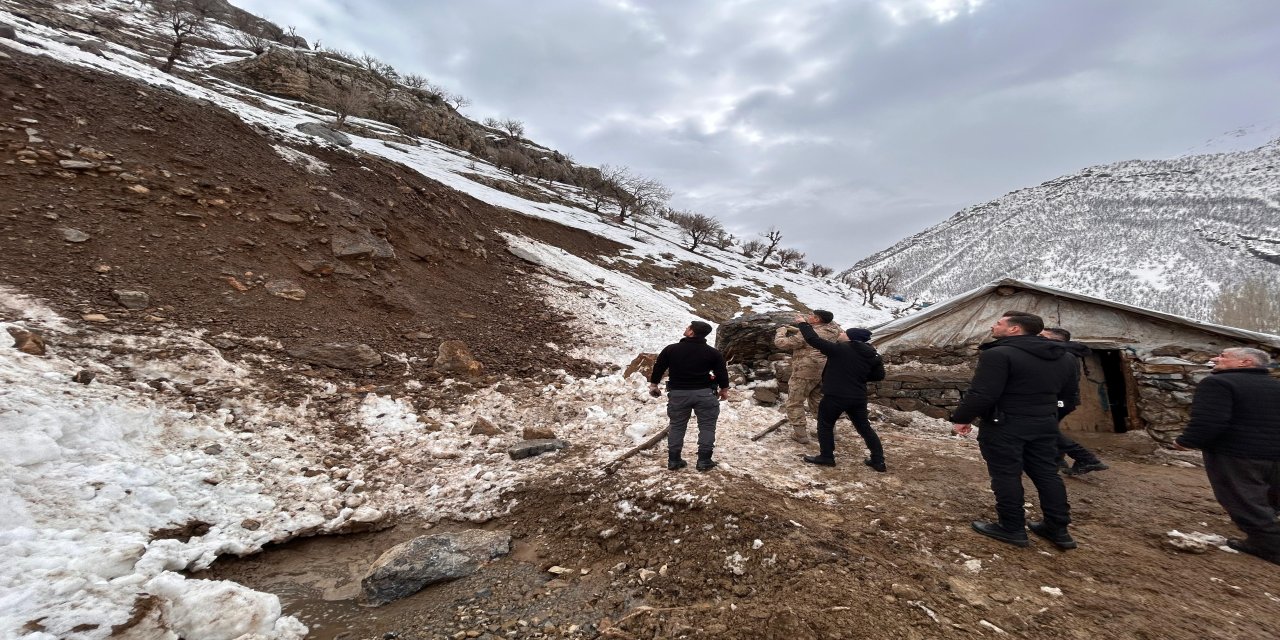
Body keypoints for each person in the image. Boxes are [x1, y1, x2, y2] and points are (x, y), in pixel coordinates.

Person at [950, 312, 1081, 549]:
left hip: (1005, 425)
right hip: (1044, 424)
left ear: (1014, 329)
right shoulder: (1065, 356)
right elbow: (1067, 398)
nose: (993, 326)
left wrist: (962, 418)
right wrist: (1050, 414)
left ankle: (1011, 527)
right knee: (1047, 474)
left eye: (999, 323)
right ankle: (1058, 529)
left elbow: (983, 394)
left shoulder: (998, 354)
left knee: (1006, 474)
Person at [1174, 347, 1280, 565]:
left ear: (1245, 362)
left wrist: (1186, 441)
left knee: (1244, 499)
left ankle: (1269, 546)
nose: (1215, 358)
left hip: (1236, 454)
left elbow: (1210, 421)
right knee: (1272, 497)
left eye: (1223, 356)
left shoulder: (1218, 383)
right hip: (1274, 454)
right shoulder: (1275, 385)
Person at [793, 316, 887, 470]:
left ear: (850, 338)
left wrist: (803, 323)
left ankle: (826, 457)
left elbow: (813, 340)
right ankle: (878, 461)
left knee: (825, 424)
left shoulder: (840, 349)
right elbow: (879, 375)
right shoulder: (873, 354)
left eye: (845, 333)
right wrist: (857, 376)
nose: (841, 333)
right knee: (865, 428)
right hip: (858, 397)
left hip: (835, 396)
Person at [649, 320, 731, 472]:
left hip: (678, 394)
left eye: (688, 327)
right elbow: (721, 372)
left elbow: (659, 367)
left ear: (692, 332)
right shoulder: (713, 353)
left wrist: (654, 385)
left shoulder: (671, 349)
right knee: (707, 427)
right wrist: (724, 389)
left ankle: (674, 460)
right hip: (705, 394)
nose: (686, 328)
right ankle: (704, 461)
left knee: (677, 426)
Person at [1040, 327, 1110, 476]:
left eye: (1042, 336)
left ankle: (1086, 458)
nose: (1037, 338)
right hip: (1062, 400)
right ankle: (1057, 459)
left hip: (1059, 400)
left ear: (1055, 340)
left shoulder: (1062, 355)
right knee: (1048, 428)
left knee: (1043, 429)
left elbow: (1058, 381)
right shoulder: (1064, 354)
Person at [774, 309, 846, 443]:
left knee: (795, 402)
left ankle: (800, 435)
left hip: (804, 371)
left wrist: (780, 332)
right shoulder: (834, 329)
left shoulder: (806, 334)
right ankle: (830, 432)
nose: (808, 316)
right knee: (819, 402)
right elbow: (817, 333)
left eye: (812, 316)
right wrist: (797, 329)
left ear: (817, 319)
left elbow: (782, 343)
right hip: (823, 371)